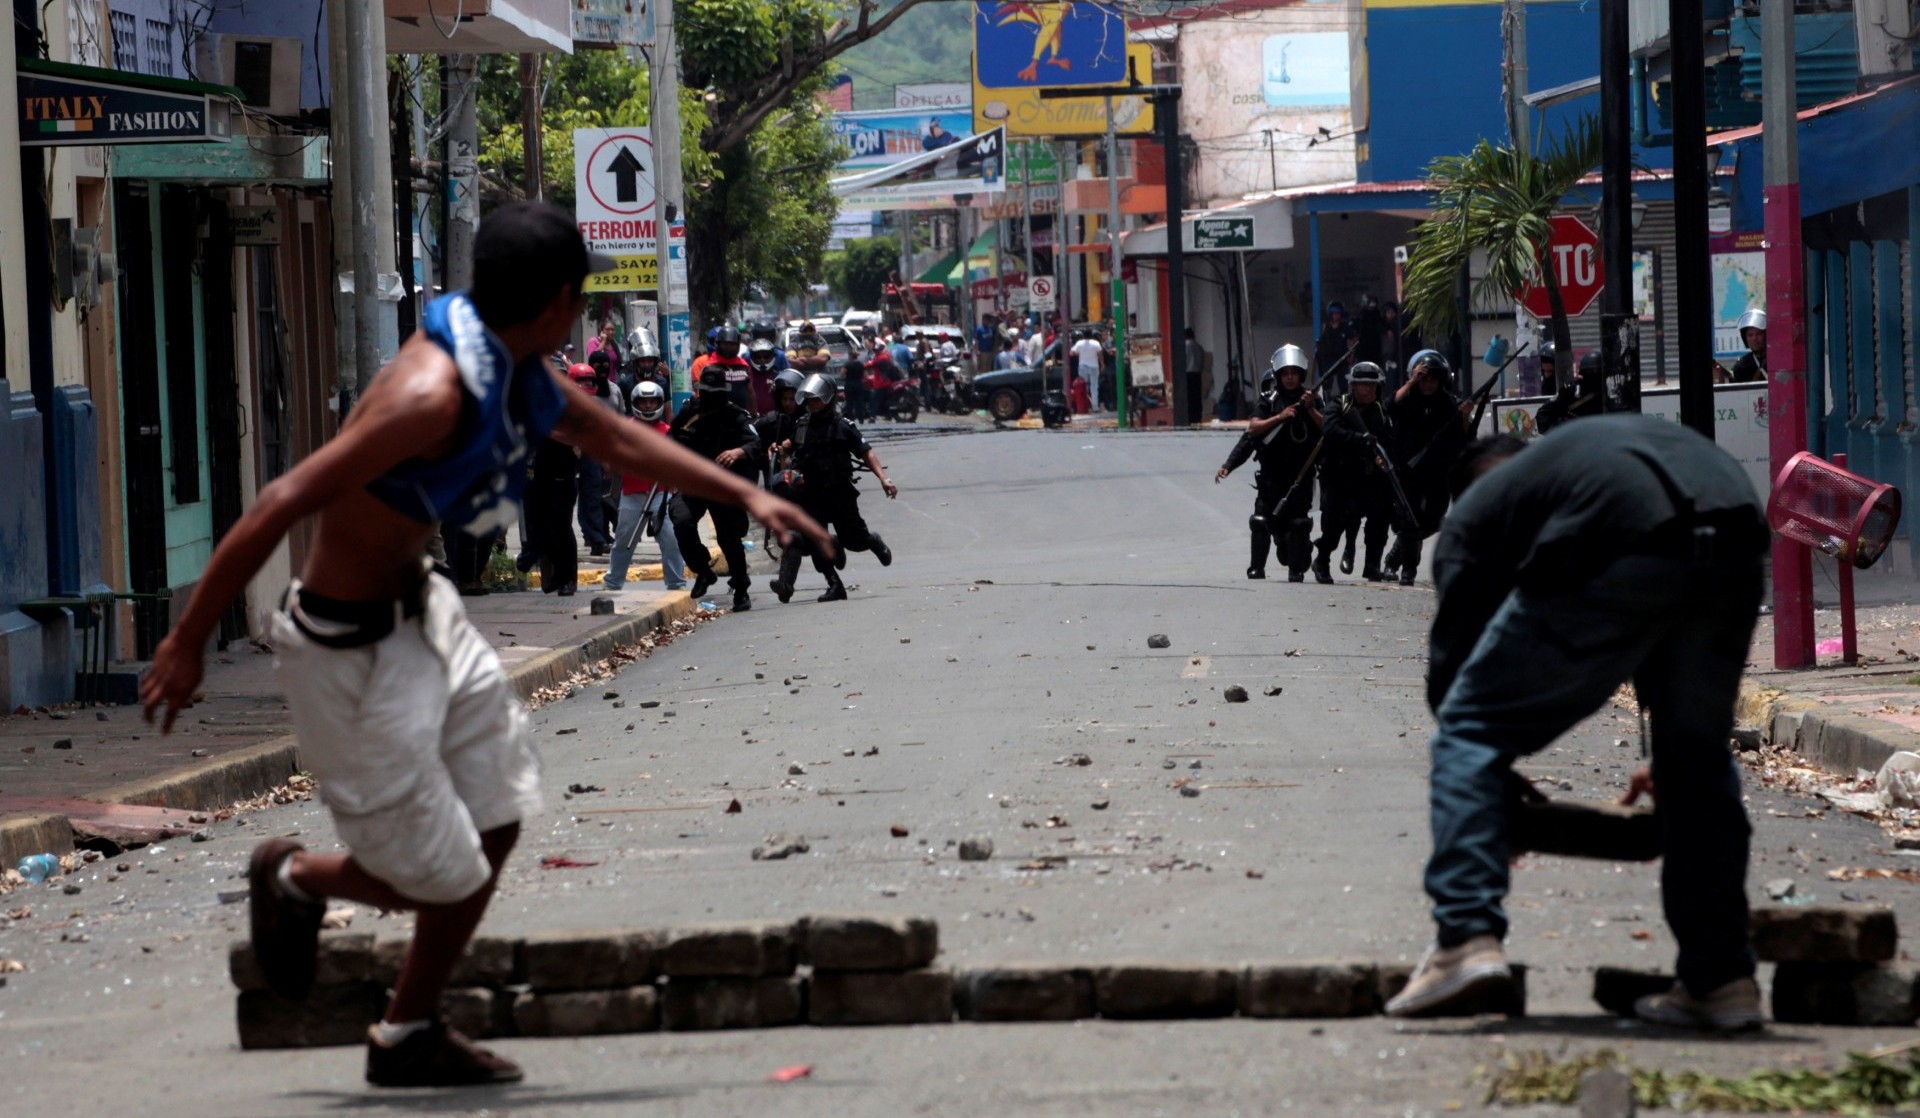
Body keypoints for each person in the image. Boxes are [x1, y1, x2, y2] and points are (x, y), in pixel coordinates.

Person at [136, 200, 824, 1089]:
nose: (582, 316)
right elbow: (279, 502)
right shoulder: (433, 394)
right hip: (346, 655)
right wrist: (188, 641)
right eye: (579, 300)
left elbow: (612, 435)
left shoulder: (510, 361)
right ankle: (296, 877)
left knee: (496, 816)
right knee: (440, 879)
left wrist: (754, 500)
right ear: (555, 303)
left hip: (426, 616)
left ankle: (407, 1031)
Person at [1385, 417, 1767, 1027]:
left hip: (1628, 532)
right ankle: (1720, 978)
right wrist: (1666, 752)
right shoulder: (1577, 465)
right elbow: (1658, 607)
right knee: (1695, 762)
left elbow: (1456, 689)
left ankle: (1464, 937)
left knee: (1467, 730)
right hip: (1735, 524)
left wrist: (1487, 791)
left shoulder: (1476, 513)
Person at [770, 373, 897, 603]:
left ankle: (871, 541)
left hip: (839, 493)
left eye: (817, 399)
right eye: (809, 400)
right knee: (817, 540)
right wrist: (779, 449)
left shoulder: (843, 426)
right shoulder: (803, 424)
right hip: (811, 494)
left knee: (853, 541)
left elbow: (866, 453)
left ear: (828, 399)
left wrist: (883, 479)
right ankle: (835, 584)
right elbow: (791, 445)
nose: (813, 404)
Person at [1217, 344, 1321, 581]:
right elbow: (1252, 431)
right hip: (1271, 477)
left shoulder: (1312, 399)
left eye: (1294, 373)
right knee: (1261, 521)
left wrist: (1312, 408)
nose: (1290, 377)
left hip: (1300, 476)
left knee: (1298, 523)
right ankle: (1257, 568)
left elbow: (1329, 430)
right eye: (1285, 373)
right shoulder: (1268, 400)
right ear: (1278, 376)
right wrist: (1228, 465)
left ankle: (1296, 570)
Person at [668, 364, 763, 611]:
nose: (711, 396)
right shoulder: (689, 411)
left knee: (728, 537)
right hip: (696, 482)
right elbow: (670, 439)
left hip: (724, 484)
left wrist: (738, 452)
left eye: (716, 391)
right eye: (707, 391)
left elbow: (755, 444)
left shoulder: (736, 415)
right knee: (681, 519)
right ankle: (703, 570)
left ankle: (741, 588)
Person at [1384, 350, 1471, 586]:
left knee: (1433, 521)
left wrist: (1465, 417)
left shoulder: (1449, 404)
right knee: (1409, 521)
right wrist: (1412, 381)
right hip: (1408, 471)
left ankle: (1397, 553)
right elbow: (1389, 406)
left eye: (1433, 378)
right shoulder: (1407, 400)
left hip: (1437, 473)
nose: (1429, 383)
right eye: (1424, 377)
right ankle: (1406, 571)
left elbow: (1465, 441)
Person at [1312, 361, 1395, 583]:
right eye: (1362, 385)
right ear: (1353, 386)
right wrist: (1360, 439)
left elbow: (1387, 439)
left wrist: (1382, 456)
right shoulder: (1339, 406)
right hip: (1337, 477)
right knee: (1333, 525)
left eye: (1372, 385)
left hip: (1367, 478)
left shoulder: (1379, 410)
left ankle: (1372, 565)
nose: (1368, 390)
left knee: (1380, 515)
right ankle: (1322, 561)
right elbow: (1331, 431)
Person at [604, 381, 688, 594]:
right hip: (632, 494)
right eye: (645, 402)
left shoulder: (669, 432)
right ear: (635, 403)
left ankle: (676, 584)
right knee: (624, 539)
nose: (649, 406)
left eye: (653, 402)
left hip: (662, 493)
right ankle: (613, 582)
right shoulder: (624, 430)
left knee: (670, 536)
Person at [569, 360, 616, 556]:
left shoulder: (595, 407)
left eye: (590, 381)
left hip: (591, 457)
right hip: (567, 458)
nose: (587, 385)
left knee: (593, 499)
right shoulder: (563, 404)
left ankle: (596, 538)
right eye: (582, 381)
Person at [1535, 350, 1603, 434]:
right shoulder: (1572, 391)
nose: (1594, 376)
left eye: (1598, 371)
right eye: (1590, 372)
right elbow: (1543, 414)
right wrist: (1563, 430)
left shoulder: (1611, 391)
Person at [692, 326, 753, 412]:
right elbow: (701, 394)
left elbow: (750, 393)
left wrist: (753, 415)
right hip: (716, 416)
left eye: (732, 345)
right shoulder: (709, 366)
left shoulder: (744, 365)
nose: (728, 348)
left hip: (741, 416)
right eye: (725, 345)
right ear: (718, 344)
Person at [1314, 302, 1359, 399]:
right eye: (1334, 313)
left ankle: (1344, 404)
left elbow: (1355, 341)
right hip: (1328, 360)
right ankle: (1326, 402)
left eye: (1338, 313)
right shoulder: (1326, 326)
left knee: (1343, 384)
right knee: (1327, 384)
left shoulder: (1345, 327)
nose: (1336, 315)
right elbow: (1320, 342)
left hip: (1342, 359)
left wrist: (1352, 356)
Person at [1730, 308, 1766, 383]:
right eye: (1750, 335)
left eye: (1758, 334)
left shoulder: (1777, 360)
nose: (1754, 338)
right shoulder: (1741, 367)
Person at [1071, 331, 1104, 412]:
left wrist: (1080, 354)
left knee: (1083, 387)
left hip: (1083, 367)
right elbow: (1100, 354)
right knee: (1094, 387)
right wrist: (1102, 364)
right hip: (1094, 366)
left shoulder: (1079, 343)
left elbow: (1071, 353)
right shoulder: (1095, 343)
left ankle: (1084, 406)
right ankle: (1095, 407)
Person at [1182, 328, 1206, 425]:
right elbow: (1202, 361)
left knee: (1189, 398)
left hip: (1188, 374)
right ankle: (1197, 417)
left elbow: (1183, 361)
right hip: (1197, 374)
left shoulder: (1185, 347)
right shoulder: (1199, 347)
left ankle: (1190, 417)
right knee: (1197, 397)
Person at [843, 355, 872, 422]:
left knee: (849, 402)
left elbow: (842, 373)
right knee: (860, 402)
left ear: (850, 356)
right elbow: (865, 375)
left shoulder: (847, 364)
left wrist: (845, 377)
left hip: (849, 384)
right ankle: (861, 418)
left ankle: (850, 418)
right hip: (859, 384)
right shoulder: (860, 364)